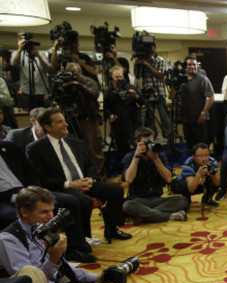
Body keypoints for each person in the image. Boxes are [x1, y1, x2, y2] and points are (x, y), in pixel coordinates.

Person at [26, 107, 132, 243]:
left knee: (116, 190)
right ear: (47, 127)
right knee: (83, 200)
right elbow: (40, 178)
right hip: (61, 187)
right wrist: (70, 184)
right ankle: (81, 240)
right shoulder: (36, 149)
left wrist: (90, 179)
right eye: (59, 122)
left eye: (64, 121)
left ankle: (112, 229)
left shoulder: (77, 144)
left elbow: (91, 166)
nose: (66, 124)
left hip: (84, 182)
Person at [0, 139, 95, 262]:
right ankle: (31, 256)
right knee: (10, 215)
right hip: (3, 198)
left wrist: (36, 191)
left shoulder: (9, 147)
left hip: (27, 190)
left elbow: (31, 172)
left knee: (70, 201)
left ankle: (75, 248)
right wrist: (12, 197)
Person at [122, 127, 189, 223]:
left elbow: (169, 179)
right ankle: (168, 216)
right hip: (138, 200)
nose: (149, 145)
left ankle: (145, 216)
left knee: (182, 200)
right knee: (127, 206)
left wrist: (155, 159)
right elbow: (129, 179)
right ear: (137, 142)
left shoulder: (159, 156)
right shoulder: (130, 157)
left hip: (157, 199)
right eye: (146, 143)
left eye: (151, 142)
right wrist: (136, 157)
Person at [62, 62, 104, 175]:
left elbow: (94, 94)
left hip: (89, 118)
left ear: (79, 72)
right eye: (70, 74)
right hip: (72, 121)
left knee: (95, 149)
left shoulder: (88, 82)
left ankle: (98, 175)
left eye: (75, 73)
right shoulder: (64, 83)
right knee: (74, 149)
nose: (72, 76)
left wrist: (78, 85)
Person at [135, 43, 171, 139]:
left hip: (159, 91)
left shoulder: (160, 60)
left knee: (164, 115)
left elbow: (161, 75)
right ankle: (152, 136)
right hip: (147, 92)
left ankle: (167, 135)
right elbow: (137, 76)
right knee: (149, 116)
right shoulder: (142, 60)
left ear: (154, 47)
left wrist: (147, 65)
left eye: (150, 46)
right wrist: (137, 65)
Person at [104, 66, 140, 155]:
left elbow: (142, 102)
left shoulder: (131, 88)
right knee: (122, 149)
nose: (119, 79)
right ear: (111, 78)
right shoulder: (109, 92)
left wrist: (136, 96)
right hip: (118, 124)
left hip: (133, 122)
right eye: (116, 77)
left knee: (138, 147)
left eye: (121, 77)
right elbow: (106, 108)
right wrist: (110, 115)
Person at [180, 56, 215, 148]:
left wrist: (203, 113)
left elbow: (211, 97)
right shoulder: (182, 80)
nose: (192, 66)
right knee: (190, 145)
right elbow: (173, 96)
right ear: (185, 66)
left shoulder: (202, 79)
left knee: (202, 146)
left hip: (200, 119)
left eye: (194, 64)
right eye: (189, 64)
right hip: (187, 119)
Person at [11, 34, 51, 110]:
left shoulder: (41, 53)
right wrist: (20, 49)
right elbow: (14, 63)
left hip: (42, 91)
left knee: (45, 114)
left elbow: (46, 68)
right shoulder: (17, 53)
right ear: (19, 41)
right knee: (31, 113)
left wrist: (38, 55)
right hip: (27, 91)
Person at [172, 143, 220, 207]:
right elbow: (191, 189)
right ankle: (187, 200)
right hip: (185, 186)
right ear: (193, 156)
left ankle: (207, 199)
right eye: (200, 156)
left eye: (206, 155)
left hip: (200, 184)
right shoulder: (188, 164)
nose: (204, 159)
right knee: (183, 183)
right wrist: (198, 174)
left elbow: (217, 184)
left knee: (213, 180)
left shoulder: (212, 161)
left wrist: (212, 174)